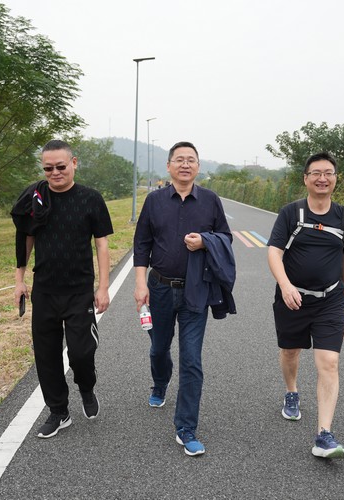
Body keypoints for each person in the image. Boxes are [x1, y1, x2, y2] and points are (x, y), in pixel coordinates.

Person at [133, 141, 235, 456]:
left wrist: (204, 240)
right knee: (158, 348)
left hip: (195, 289)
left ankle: (186, 428)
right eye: (179, 160)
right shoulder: (154, 200)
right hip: (160, 288)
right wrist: (140, 284)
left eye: (191, 160)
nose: (185, 164)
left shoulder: (210, 200)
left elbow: (226, 237)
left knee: (192, 359)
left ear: (198, 166)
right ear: (169, 166)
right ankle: (160, 383)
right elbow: (142, 243)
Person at [12, 139, 113, 439]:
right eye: (48, 168)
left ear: (74, 163)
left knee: (82, 353)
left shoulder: (90, 199)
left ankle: (86, 386)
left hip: (79, 290)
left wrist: (103, 287)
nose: (54, 173)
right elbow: (25, 240)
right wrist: (19, 280)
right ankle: (59, 411)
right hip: (45, 290)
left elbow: (102, 245)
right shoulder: (35, 199)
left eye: (60, 166)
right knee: (47, 356)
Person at [267, 151, 344, 459]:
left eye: (328, 173)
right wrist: (285, 285)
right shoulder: (291, 213)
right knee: (290, 352)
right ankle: (292, 392)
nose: (323, 178)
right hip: (292, 298)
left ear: (335, 179)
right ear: (305, 179)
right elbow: (274, 252)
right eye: (316, 173)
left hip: (330, 300)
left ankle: (324, 435)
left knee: (329, 362)